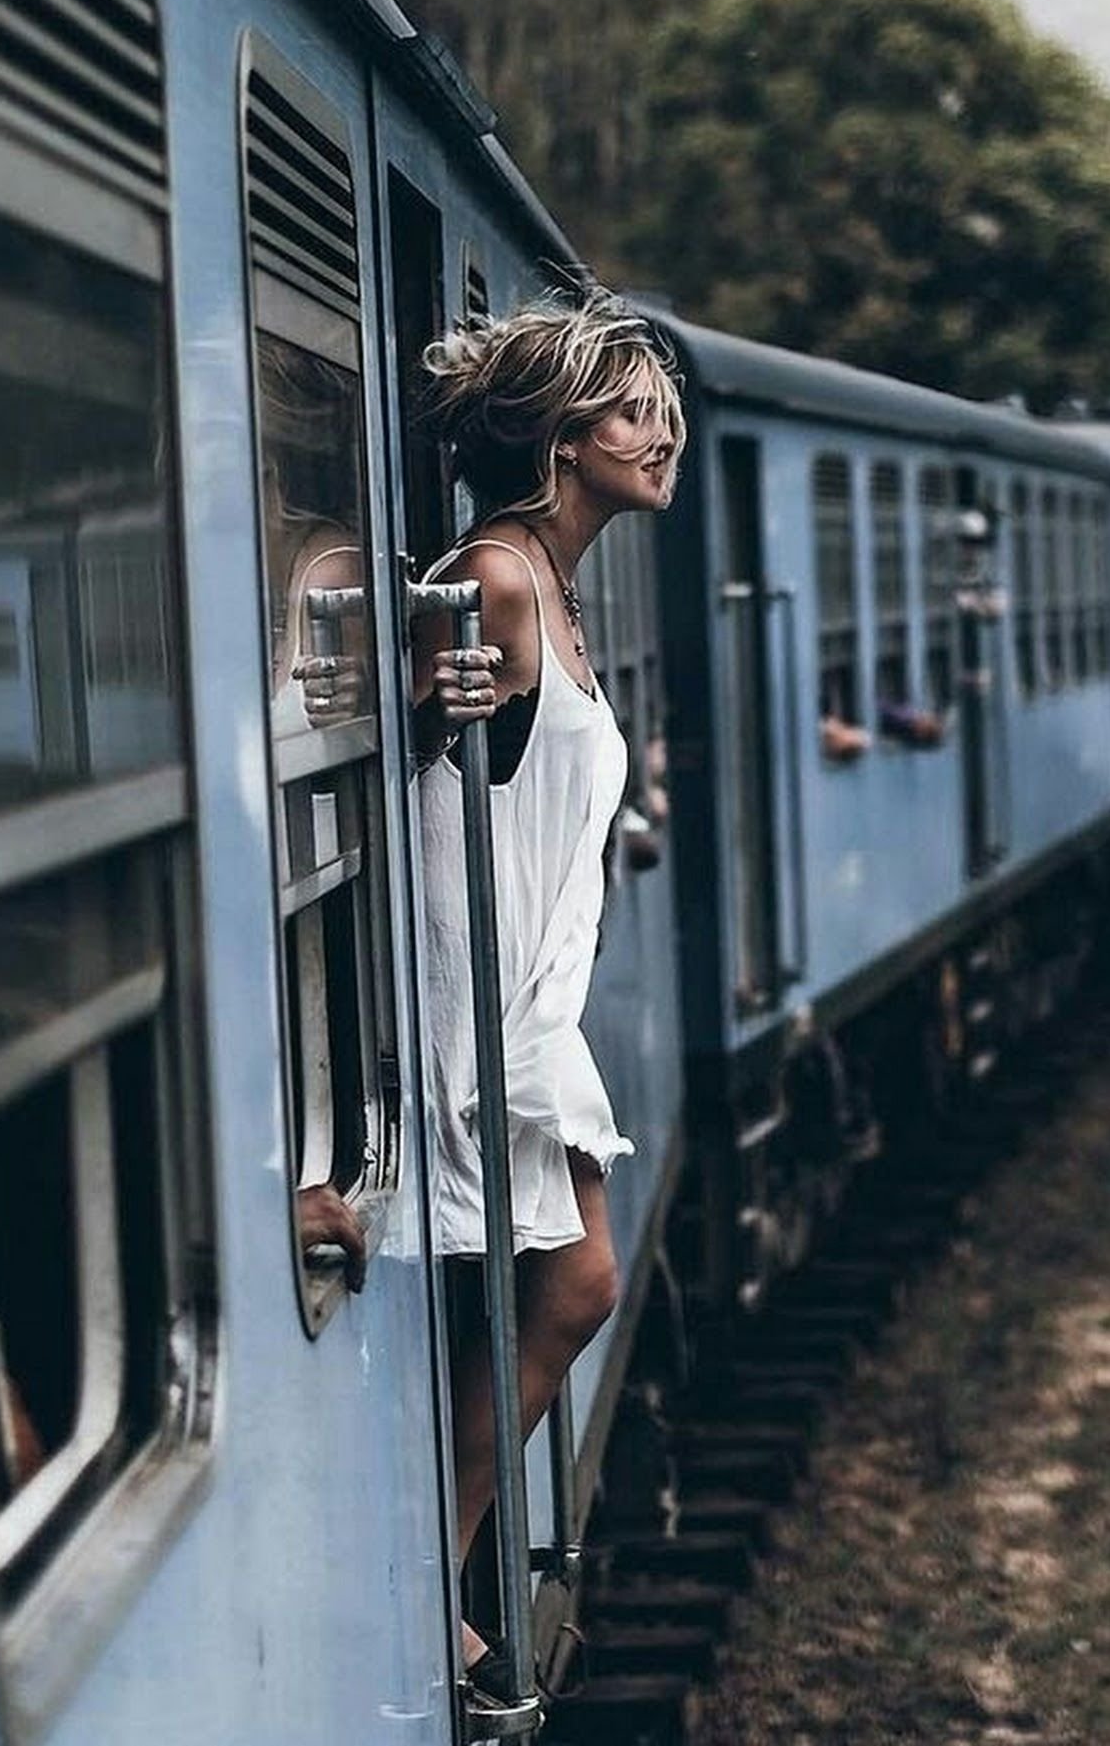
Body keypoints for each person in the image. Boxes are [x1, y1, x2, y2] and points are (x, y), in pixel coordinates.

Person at [409, 291, 684, 1708]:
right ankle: (431, 1583)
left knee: (547, 1289)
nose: (665, 434)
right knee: (572, 1284)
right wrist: (415, 687)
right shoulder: (498, 579)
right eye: (635, 410)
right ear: (560, 438)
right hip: (480, 993)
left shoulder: (548, 583)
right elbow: (407, 726)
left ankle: (436, 1578)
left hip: (528, 989)